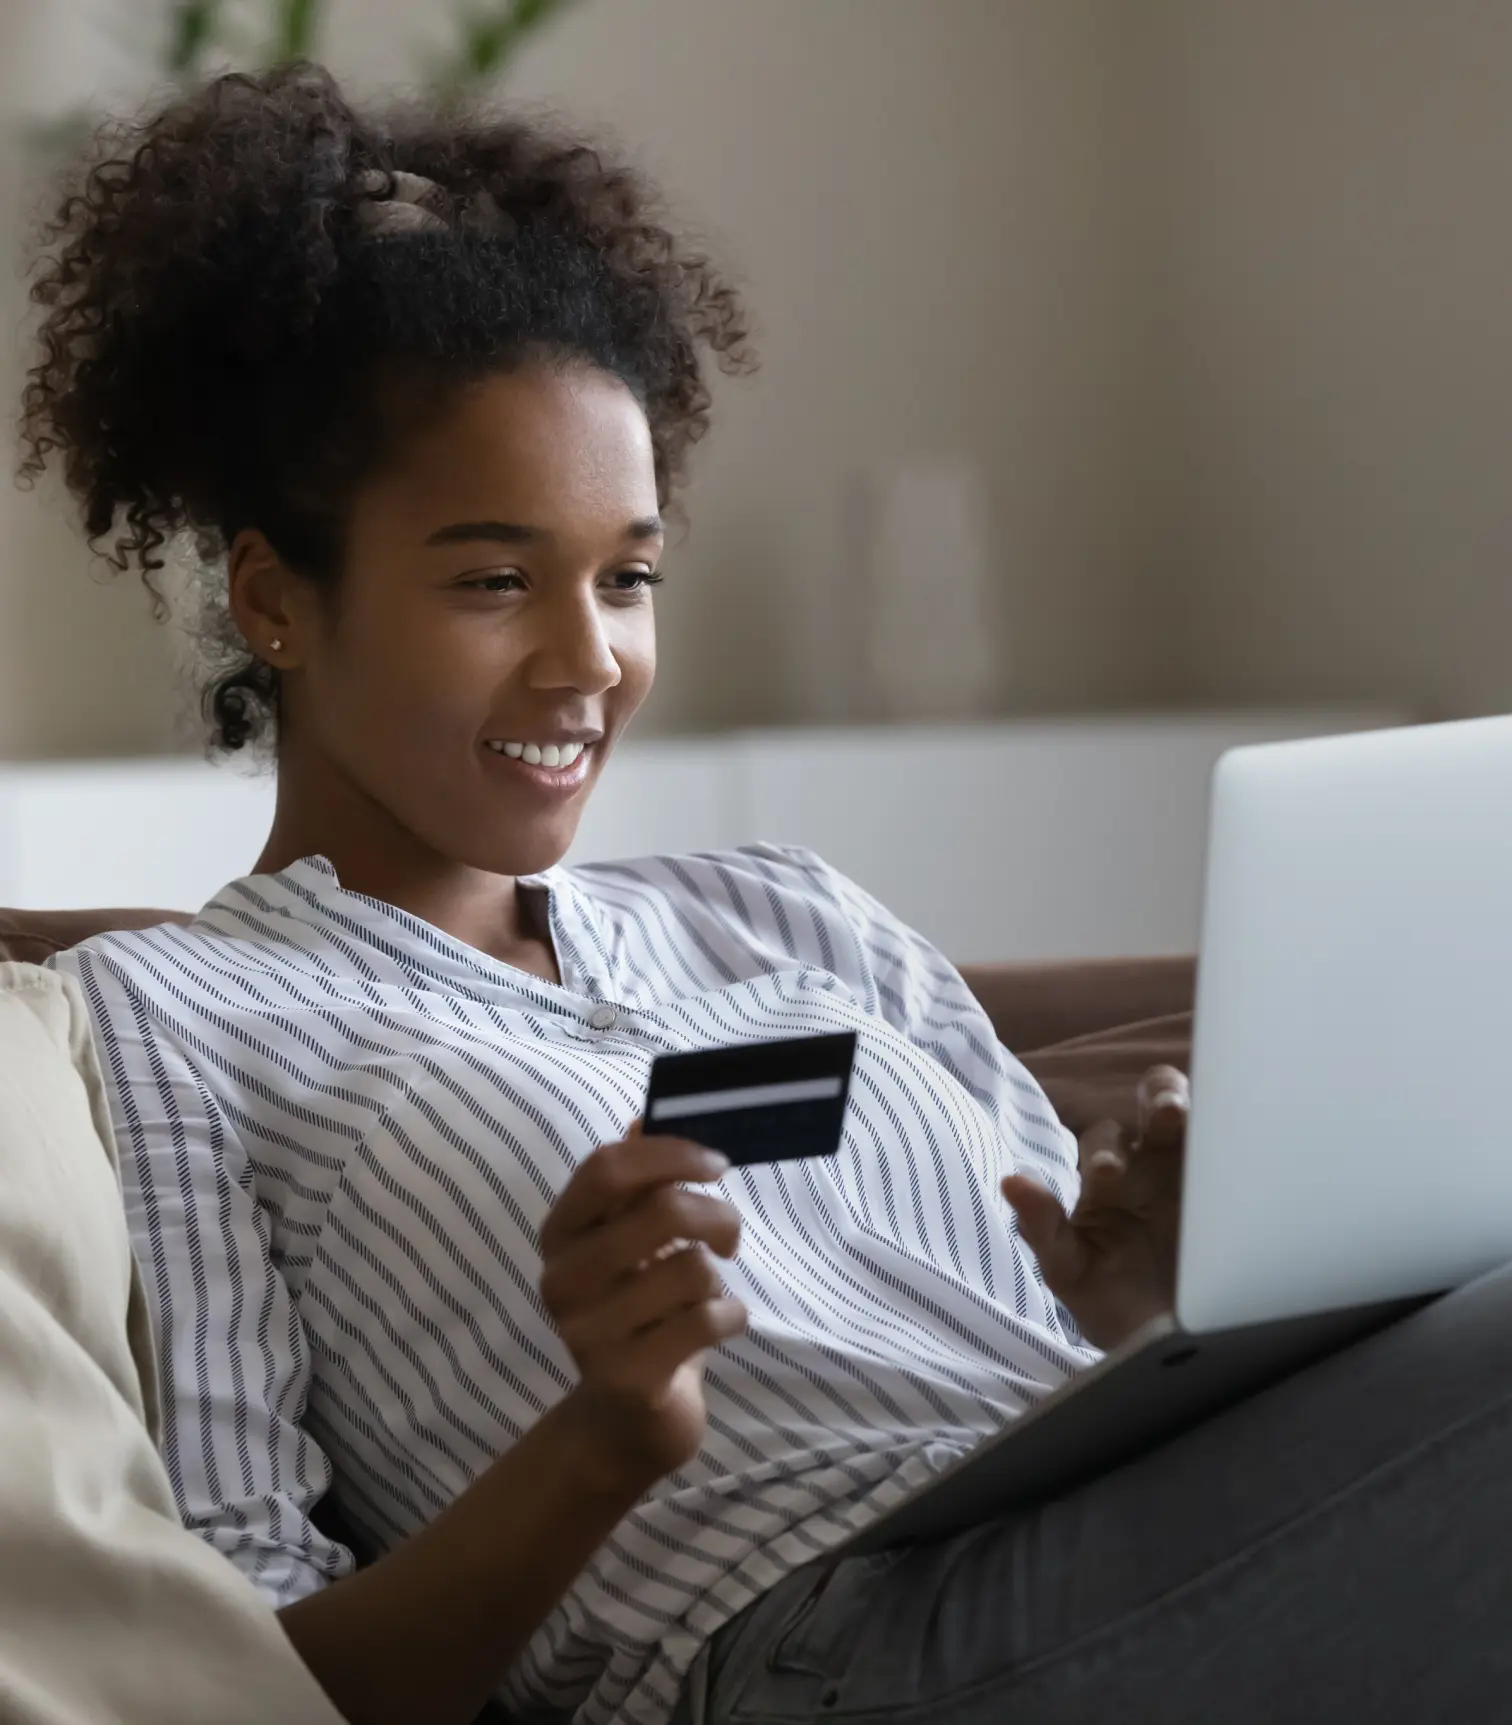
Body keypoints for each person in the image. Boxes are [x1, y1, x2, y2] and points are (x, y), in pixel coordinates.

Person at [21, 63, 1512, 1725]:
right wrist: (604, 1439)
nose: (590, 658)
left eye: (631, 577)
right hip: (832, 1644)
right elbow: (255, 1674)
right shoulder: (169, 1018)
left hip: (1125, 1523)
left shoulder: (791, 913)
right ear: (275, 601)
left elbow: (1068, 1330)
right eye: (495, 579)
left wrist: (1147, 1314)